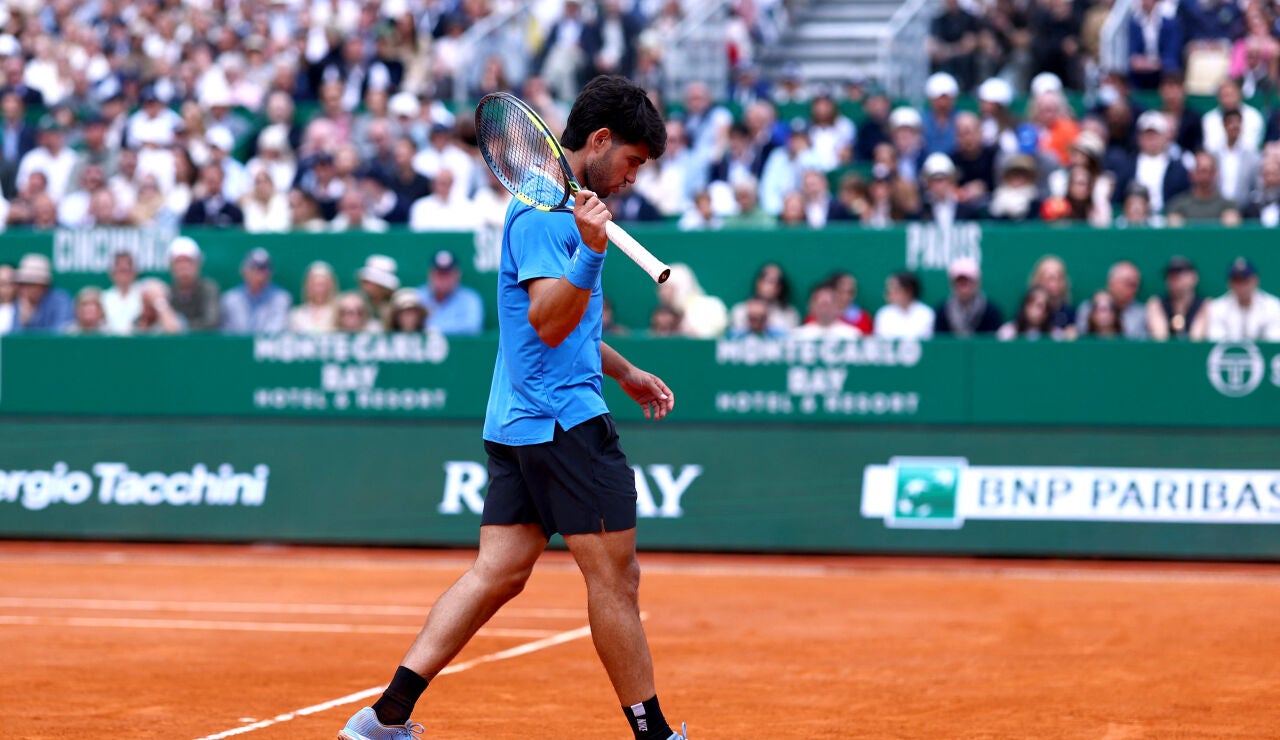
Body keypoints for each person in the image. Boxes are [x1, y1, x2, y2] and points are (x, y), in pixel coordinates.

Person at [338, 75, 687, 740]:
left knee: (498, 572)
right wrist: (589, 249)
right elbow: (549, 320)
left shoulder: (560, 211)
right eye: (633, 162)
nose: (634, 178)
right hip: (561, 425)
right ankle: (655, 735)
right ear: (602, 140)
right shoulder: (542, 212)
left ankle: (384, 718)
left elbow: (568, 330)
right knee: (616, 576)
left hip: (524, 420)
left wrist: (627, 371)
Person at [1204, 257, 1280, 341]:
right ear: (1229, 283)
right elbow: (1216, 340)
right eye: (1237, 281)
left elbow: (1274, 342)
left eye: (1246, 280)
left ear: (1255, 280)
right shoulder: (1217, 308)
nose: (1242, 286)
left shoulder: (1273, 306)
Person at [220, 248, 292, 334]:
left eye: (263, 269)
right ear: (244, 270)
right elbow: (228, 332)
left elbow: (275, 331)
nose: (259, 274)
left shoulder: (281, 299)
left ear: (270, 273)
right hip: (235, 347)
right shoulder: (229, 299)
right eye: (253, 268)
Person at [416, 249, 484, 336]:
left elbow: (473, 327)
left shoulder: (470, 299)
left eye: (448, 274)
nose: (443, 280)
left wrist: (437, 330)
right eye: (439, 274)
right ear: (430, 274)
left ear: (457, 275)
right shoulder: (418, 297)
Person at [1075, 260, 1149, 339]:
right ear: (1111, 282)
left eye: (1136, 285)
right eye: (1128, 284)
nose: (1134, 289)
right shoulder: (1088, 308)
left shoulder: (1142, 314)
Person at [1165, 150, 1241, 226]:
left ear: (1216, 174)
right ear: (1192, 174)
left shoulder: (1228, 206)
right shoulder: (1178, 205)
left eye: (1209, 171)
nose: (1205, 177)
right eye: (1201, 171)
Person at [934, 257, 1004, 337]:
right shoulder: (942, 311)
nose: (963, 288)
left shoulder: (991, 311)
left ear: (977, 283)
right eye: (959, 282)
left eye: (967, 282)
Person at [1147, 256, 1209, 341]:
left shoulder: (1205, 304)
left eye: (1180, 273)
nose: (1174, 278)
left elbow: (1196, 341)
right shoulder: (1156, 303)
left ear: (1194, 277)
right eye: (1170, 275)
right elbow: (1160, 339)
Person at [728, 262, 800, 335]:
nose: (769, 286)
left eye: (775, 282)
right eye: (766, 279)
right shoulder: (739, 310)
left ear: (780, 288)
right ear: (758, 283)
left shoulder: (790, 314)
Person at [167, 237, 221, 331]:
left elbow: (211, 322)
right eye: (178, 262)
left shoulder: (209, 289)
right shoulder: (168, 293)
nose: (183, 266)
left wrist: (180, 326)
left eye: (188, 261)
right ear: (171, 266)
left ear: (198, 264)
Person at [13, 253, 73, 332]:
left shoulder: (61, 301)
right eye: (22, 284)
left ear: (43, 285)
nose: (24, 289)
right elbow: (13, 336)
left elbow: (59, 335)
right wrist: (24, 322)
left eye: (29, 284)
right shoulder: (19, 302)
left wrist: (32, 320)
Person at [874, 271, 935, 340]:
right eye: (889, 289)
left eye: (895, 289)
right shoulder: (883, 314)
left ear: (909, 290)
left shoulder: (926, 313)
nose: (890, 293)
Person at [792, 284, 860, 339]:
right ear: (811, 306)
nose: (825, 309)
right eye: (821, 304)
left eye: (828, 304)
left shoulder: (852, 336)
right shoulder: (799, 336)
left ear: (838, 305)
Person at [288, 261, 339, 333]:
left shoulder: (339, 313)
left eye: (323, 284)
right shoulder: (297, 315)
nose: (319, 289)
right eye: (316, 284)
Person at [101, 250, 142, 335]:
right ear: (111, 272)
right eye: (119, 267)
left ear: (135, 271)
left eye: (127, 267)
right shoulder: (103, 298)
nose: (123, 269)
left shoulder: (145, 296)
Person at [996, 286, 1061, 340]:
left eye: (1046, 308)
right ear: (1026, 306)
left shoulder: (1056, 336)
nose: (1042, 311)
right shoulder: (1008, 333)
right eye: (1038, 305)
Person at [356, 254, 401, 326]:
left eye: (370, 282)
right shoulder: (355, 301)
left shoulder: (396, 305)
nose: (365, 285)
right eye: (365, 281)